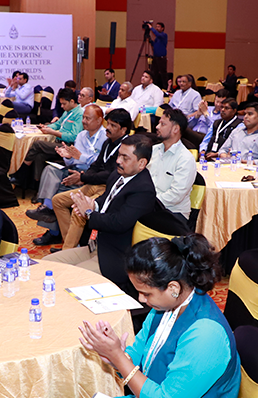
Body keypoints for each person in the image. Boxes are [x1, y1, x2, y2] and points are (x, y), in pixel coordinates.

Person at [50, 234, 240, 398]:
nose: (141, 299)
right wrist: (115, 354)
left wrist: (119, 358)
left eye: (145, 292)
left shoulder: (205, 335)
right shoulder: (167, 307)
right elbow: (138, 355)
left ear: (173, 288)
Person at [44, 135, 160, 293]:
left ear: (141, 163)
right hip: (97, 247)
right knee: (47, 265)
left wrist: (90, 213)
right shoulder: (118, 175)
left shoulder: (143, 189)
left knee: (67, 280)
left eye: (125, 157)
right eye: (119, 155)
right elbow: (105, 199)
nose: (118, 161)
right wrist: (92, 204)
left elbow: (119, 223)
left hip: (115, 257)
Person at [52, 108, 132, 251]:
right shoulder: (108, 142)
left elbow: (110, 174)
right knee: (58, 201)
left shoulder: (126, 147)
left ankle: (66, 252)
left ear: (123, 130)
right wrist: (83, 177)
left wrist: (82, 177)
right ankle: (71, 247)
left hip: (108, 189)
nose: (108, 128)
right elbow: (97, 165)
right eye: (109, 124)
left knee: (78, 210)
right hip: (93, 184)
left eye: (113, 126)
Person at [27, 105, 106, 245]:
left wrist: (80, 157)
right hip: (74, 168)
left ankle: (54, 232)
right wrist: (68, 157)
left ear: (99, 120)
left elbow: (100, 161)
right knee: (50, 170)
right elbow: (73, 160)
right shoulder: (82, 135)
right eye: (83, 118)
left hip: (91, 174)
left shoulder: (105, 137)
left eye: (88, 118)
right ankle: (47, 208)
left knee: (58, 190)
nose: (84, 121)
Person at [149, 109, 198, 222]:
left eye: (163, 124)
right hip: (150, 206)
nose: (157, 127)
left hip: (173, 213)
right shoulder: (153, 150)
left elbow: (176, 195)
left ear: (176, 129)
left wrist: (148, 201)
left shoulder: (185, 159)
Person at [150, 22, 169, 89]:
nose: (157, 28)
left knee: (163, 73)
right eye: (156, 27)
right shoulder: (157, 38)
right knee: (153, 73)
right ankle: (153, 86)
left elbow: (158, 35)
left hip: (161, 57)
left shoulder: (164, 35)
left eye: (158, 27)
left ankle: (166, 87)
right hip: (155, 57)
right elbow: (154, 45)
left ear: (162, 28)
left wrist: (151, 28)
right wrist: (150, 40)